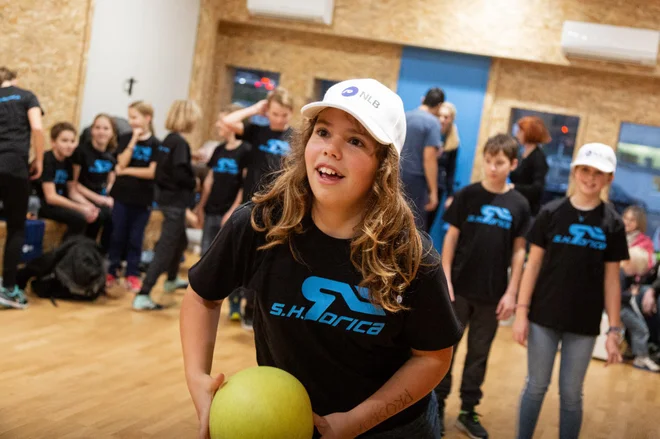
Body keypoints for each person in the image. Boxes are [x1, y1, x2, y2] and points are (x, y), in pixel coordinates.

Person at [181, 79, 463, 439]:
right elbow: (202, 296)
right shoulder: (258, 225)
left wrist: (357, 421)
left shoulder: (412, 257)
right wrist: (197, 379)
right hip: (288, 423)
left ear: (384, 166)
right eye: (324, 132)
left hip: (393, 429)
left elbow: (433, 357)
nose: (331, 149)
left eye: (356, 140)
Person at [513, 142, 629, 439]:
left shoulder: (613, 223)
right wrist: (521, 312)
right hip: (542, 317)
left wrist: (614, 329)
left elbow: (612, 280)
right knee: (536, 386)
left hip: (585, 324)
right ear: (575, 172)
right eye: (586, 170)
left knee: (572, 394)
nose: (591, 178)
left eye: (599, 173)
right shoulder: (550, 213)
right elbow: (532, 265)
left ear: (609, 179)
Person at [435, 134, 530, 438]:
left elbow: (519, 250)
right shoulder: (468, 195)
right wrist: (445, 277)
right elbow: (450, 237)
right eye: (488, 161)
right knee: (445, 352)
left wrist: (512, 292)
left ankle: (467, 411)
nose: (492, 167)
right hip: (458, 289)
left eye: (499, 162)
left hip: (492, 295)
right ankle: (436, 406)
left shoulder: (519, 204)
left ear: (513, 164)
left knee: (479, 355)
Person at [221, 88, 294, 328]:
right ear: (268, 111)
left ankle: (251, 309)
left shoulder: (295, 138)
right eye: (274, 113)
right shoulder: (257, 131)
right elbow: (227, 121)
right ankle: (233, 303)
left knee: (264, 261)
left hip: (280, 209)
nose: (280, 119)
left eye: (284, 114)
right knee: (241, 255)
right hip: (252, 204)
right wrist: (255, 109)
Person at [134, 100, 200, 311]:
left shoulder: (168, 140)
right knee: (166, 246)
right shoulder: (180, 143)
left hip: (166, 199)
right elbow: (180, 173)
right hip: (174, 203)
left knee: (180, 240)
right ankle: (144, 293)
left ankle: (171, 278)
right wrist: (194, 182)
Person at [195, 106, 251, 321]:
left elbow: (243, 186)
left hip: (230, 213)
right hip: (211, 211)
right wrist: (200, 207)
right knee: (205, 256)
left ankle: (235, 303)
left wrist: (232, 211)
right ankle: (204, 302)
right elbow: (209, 181)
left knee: (230, 262)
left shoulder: (245, 150)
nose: (219, 125)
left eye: (221, 122)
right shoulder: (218, 149)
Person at [0, 66, 44, 309]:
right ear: (14, 80)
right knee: (16, 227)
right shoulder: (27, 96)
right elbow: (37, 128)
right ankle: (8, 288)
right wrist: (38, 160)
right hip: (15, 166)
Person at [107, 101, 160, 293]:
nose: (131, 121)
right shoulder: (125, 137)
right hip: (121, 196)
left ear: (147, 119)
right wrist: (133, 141)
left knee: (135, 238)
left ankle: (132, 274)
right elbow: (120, 163)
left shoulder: (156, 144)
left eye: (135, 117)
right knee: (117, 235)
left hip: (142, 199)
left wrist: (126, 170)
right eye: (129, 117)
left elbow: (151, 172)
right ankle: (112, 270)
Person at [37, 122, 100, 239]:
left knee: (97, 214)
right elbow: (50, 197)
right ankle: (65, 254)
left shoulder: (69, 161)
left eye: (72, 141)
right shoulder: (47, 159)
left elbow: (72, 191)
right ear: (53, 142)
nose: (69, 145)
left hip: (61, 202)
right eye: (64, 141)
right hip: (43, 205)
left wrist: (89, 205)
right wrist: (79, 207)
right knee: (78, 219)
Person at [399, 88, 444, 231]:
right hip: (416, 182)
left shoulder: (405, 117)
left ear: (423, 99)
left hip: (396, 174)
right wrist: (433, 192)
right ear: (439, 105)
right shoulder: (433, 123)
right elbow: (429, 158)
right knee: (412, 228)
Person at [72, 113, 116, 252]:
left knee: (115, 215)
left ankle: (103, 255)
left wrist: (109, 197)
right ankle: (86, 255)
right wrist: (99, 199)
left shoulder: (111, 156)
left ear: (112, 132)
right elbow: (75, 184)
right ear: (92, 130)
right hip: (82, 196)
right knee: (98, 216)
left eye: (105, 128)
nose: (101, 132)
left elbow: (110, 182)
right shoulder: (81, 151)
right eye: (97, 127)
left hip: (101, 198)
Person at [619, 247, 659, 372]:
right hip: (620, 308)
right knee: (640, 329)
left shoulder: (627, 275)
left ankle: (640, 354)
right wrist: (632, 294)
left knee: (640, 327)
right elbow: (617, 295)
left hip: (624, 306)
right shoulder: (620, 274)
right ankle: (641, 357)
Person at [509, 116, 550, 216]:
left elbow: (537, 188)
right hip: (516, 205)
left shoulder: (538, 158)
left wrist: (514, 187)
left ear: (528, 133)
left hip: (528, 210)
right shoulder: (522, 154)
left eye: (520, 131)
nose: (517, 135)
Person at [428, 102, 459, 230]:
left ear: (451, 119)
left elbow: (450, 170)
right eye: (440, 116)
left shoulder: (453, 141)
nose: (442, 120)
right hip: (422, 184)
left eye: (446, 117)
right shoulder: (428, 132)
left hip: (438, 187)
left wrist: (451, 195)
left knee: (426, 226)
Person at [622, 205, 655, 270]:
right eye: (625, 218)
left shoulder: (645, 242)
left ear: (639, 223)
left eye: (632, 220)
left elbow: (649, 264)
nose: (627, 222)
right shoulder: (615, 235)